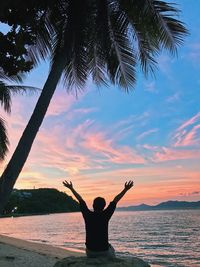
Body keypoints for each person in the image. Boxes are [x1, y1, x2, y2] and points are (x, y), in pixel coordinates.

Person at [63, 180, 134, 258]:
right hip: (103, 251)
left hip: (90, 251)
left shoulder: (87, 214)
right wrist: (125, 189)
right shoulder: (106, 214)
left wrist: (71, 188)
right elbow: (116, 200)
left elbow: (80, 200)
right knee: (112, 249)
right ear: (104, 206)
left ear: (93, 205)